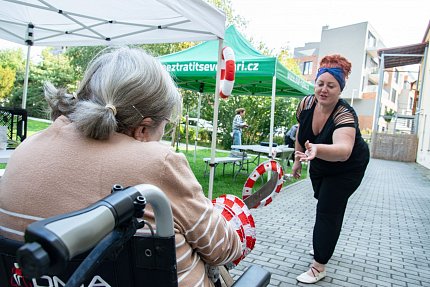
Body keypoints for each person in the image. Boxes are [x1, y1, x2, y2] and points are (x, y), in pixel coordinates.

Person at [0, 47, 242, 287]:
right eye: (165, 125)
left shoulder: (25, 150)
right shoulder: (158, 164)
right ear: (143, 129)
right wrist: (233, 219)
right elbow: (223, 250)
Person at [292, 54, 370, 284]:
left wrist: (316, 149)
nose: (324, 89)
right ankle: (323, 243)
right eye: (320, 84)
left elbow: (344, 149)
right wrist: (298, 160)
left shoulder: (344, 114)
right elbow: (301, 131)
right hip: (319, 162)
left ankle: (319, 266)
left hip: (348, 167)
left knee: (328, 210)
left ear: (340, 89)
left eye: (331, 85)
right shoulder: (306, 104)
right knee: (322, 201)